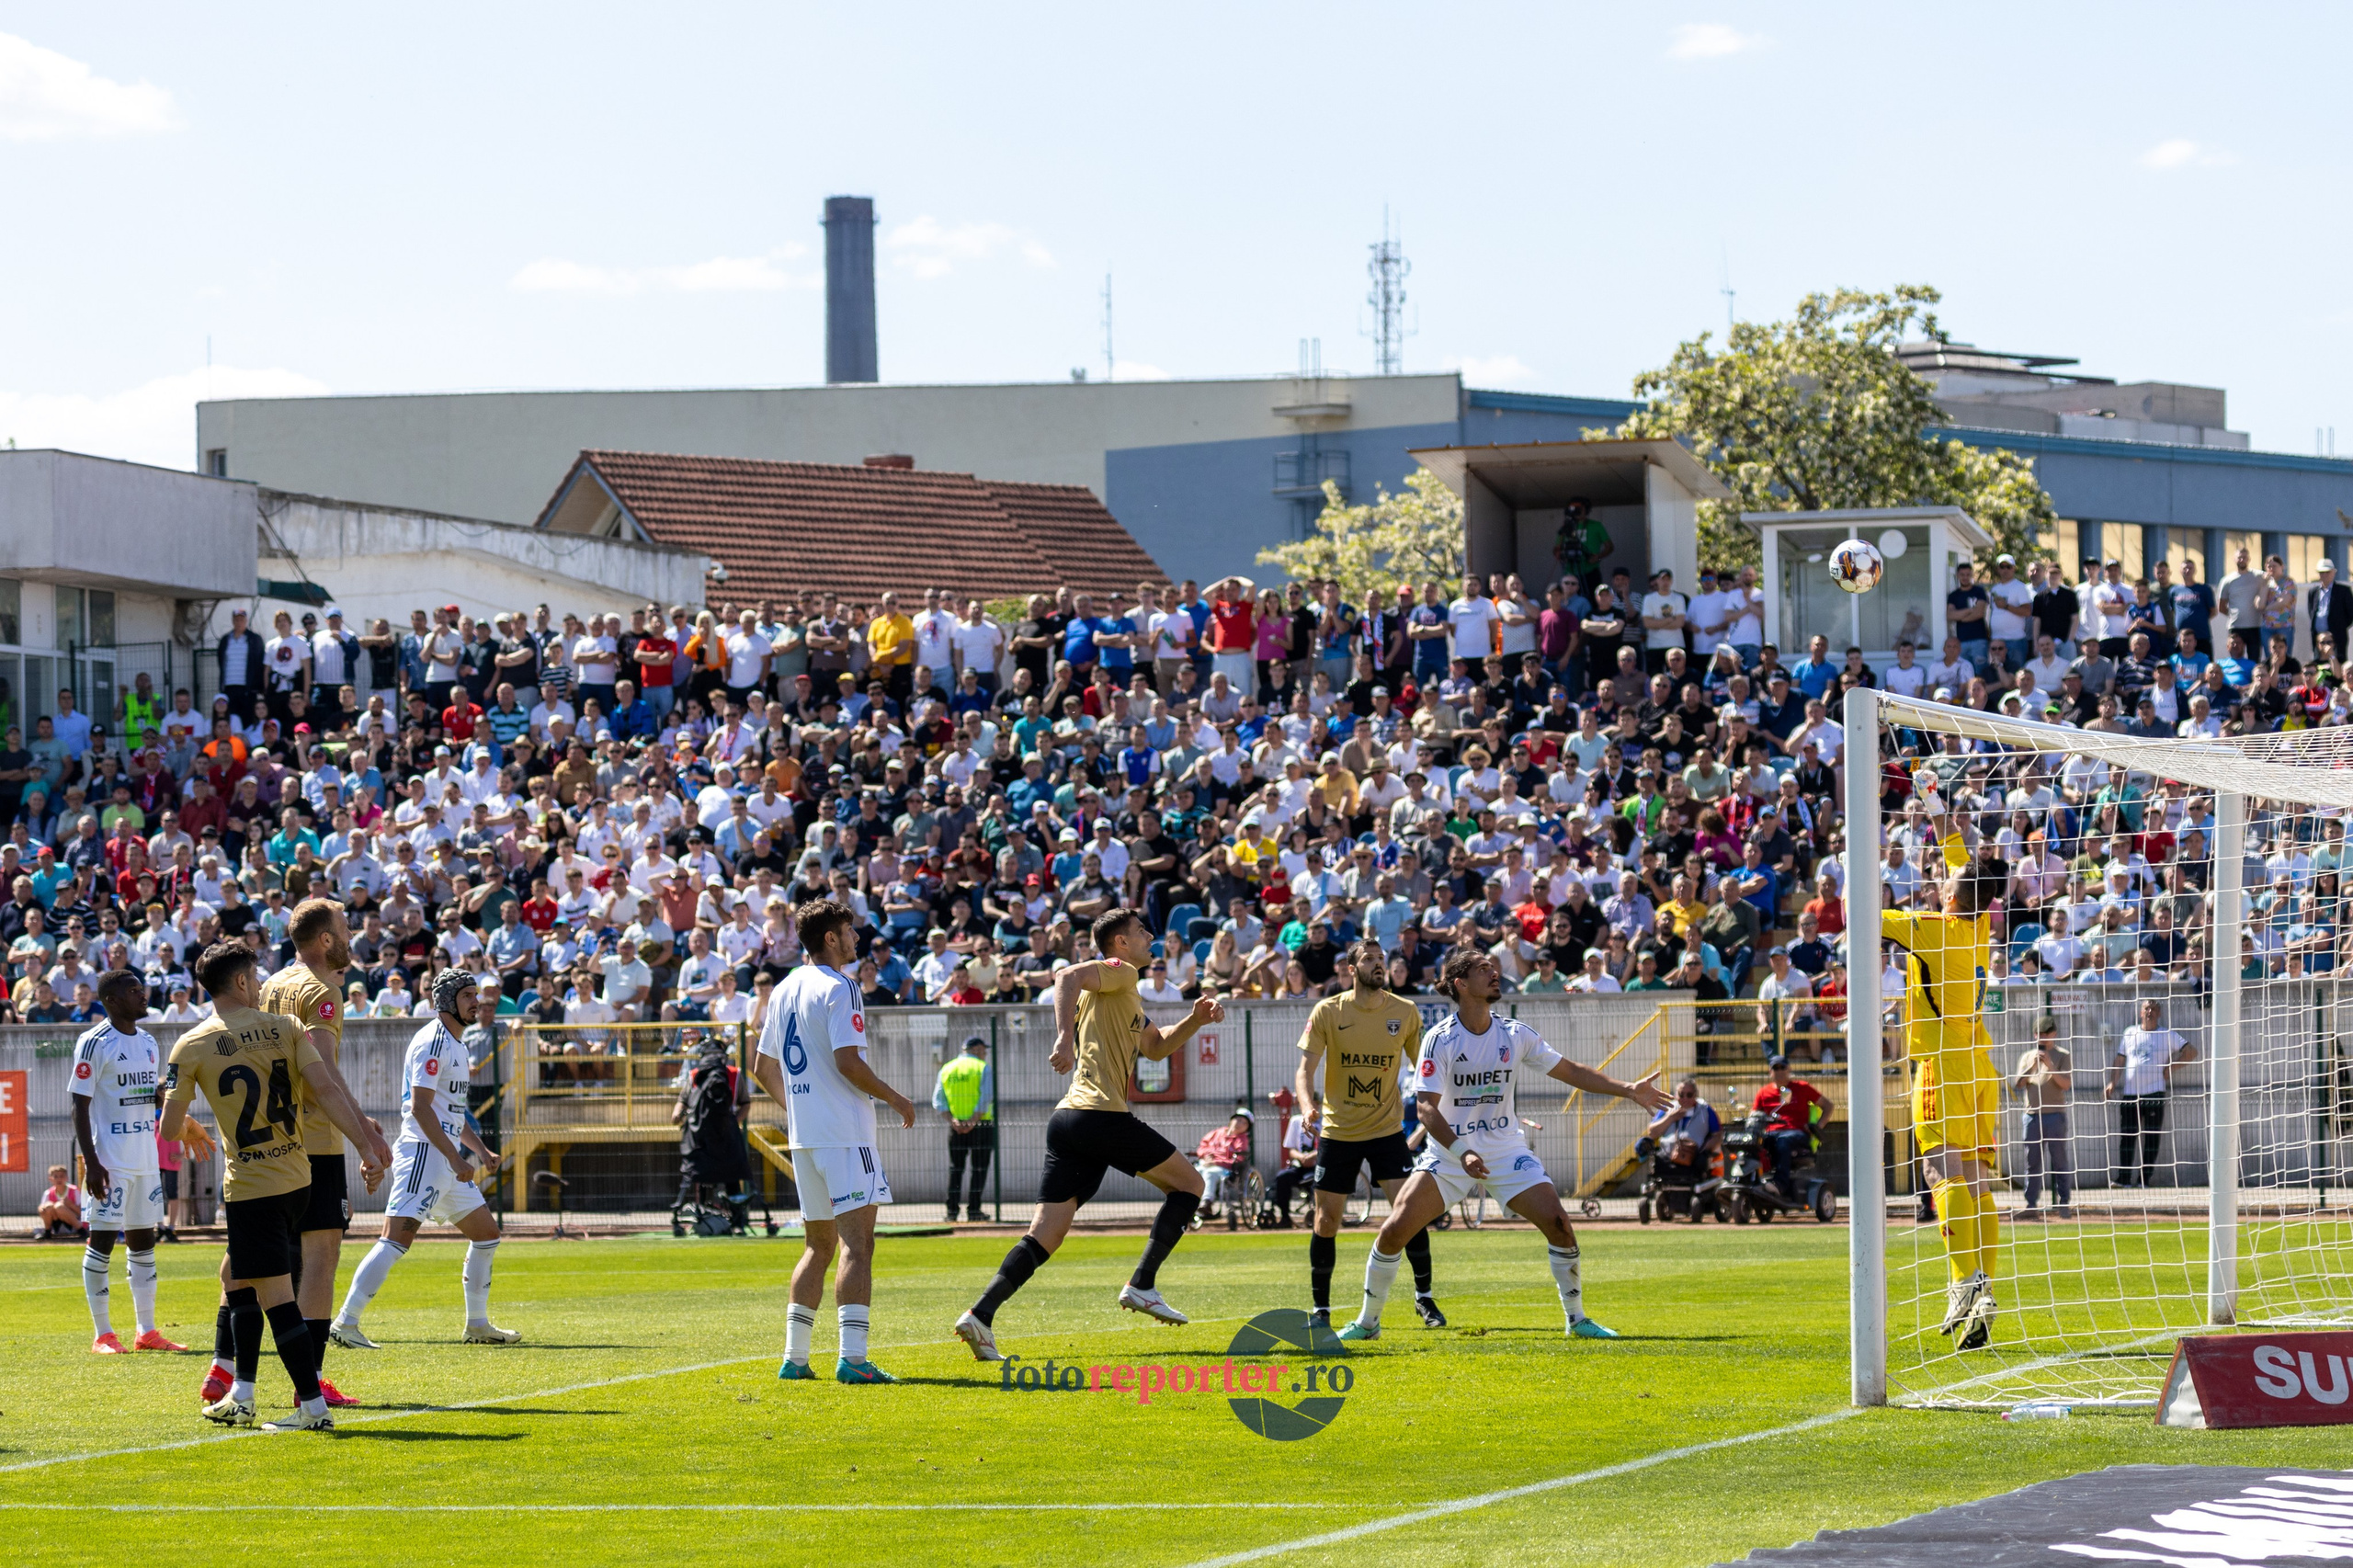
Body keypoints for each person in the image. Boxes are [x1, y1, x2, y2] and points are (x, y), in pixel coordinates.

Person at [1337, 948, 1668, 1342]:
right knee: (1393, 1233)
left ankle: (1577, 1320)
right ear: (1460, 984)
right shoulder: (1439, 1039)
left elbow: (1571, 1071)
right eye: (1482, 970)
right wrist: (1463, 1152)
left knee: (1560, 1225)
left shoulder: (1514, 1033)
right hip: (1450, 1156)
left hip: (1507, 1153)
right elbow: (1426, 1109)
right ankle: (1367, 1323)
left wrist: (1628, 1089)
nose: (1494, 974)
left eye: (1493, 968)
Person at [953, 908, 1225, 1359]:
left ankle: (980, 1315)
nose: (1150, 936)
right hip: (1100, 1115)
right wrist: (1062, 1038)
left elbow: (1156, 1048)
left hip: (1069, 1121)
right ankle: (1142, 1284)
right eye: (1141, 931)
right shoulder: (1116, 972)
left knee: (1047, 1234)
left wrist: (1195, 1020)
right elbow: (1064, 976)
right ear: (1120, 944)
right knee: (1192, 1184)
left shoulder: (1124, 992)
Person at [159, 940, 389, 1431]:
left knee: (276, 1296)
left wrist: (191, 1126)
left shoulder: (193, 1044)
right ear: (240, 982)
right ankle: (241, 1393)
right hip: (299, 1176)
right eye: (256, 976)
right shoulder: (286, 1027)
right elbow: (325, 1088)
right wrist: (366, 1146)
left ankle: (312, 1406)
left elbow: (167, 1127)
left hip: (251, 1185)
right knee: (238, 1279)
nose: (261, 984)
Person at [749, 897, 917, 1384]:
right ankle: (854, 1359)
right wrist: (895, 1098)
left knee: (816, 1246)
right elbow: (848, 1061)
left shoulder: (782, 989)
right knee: (857, 1246)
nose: (856, 938)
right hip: (846, 1135)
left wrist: (801, 1109)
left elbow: (763, 1068)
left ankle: (794, 1359)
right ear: (830, 937)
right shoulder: (841, 986)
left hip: (807, 1139)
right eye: (849, 930)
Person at [1879, 773, 2008, 1350]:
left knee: (1939, 1172)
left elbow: (1868, 916)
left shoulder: (1932, 928)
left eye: (1947, 876)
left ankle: (1961, 1281)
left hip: (1941, 1063)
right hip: (1982, 1061)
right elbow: (1953, 846)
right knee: (1977, 1179)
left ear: (1954, 894)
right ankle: (1983, 1286)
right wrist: (1930, 799)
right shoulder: (1979, 920)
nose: (1941, 873)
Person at [331, 970, 520, 1352]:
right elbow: (420, 1108)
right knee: (396, 1238)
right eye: (468, 995)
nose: (477, 1002)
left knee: (487, 1236)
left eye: (476, 995)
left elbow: (451, 1111)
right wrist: (455, 1158)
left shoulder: (458, 1044)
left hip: (446, 1157)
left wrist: (479, 1151)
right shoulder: (433, 1041)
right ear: (448, 1000)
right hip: (425, 1153)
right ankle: (344, 1323)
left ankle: (478, 1325)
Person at [250, 897, 364, 1407]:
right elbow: (322, 1072)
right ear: (325, 940)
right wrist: (364, 1131)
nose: (349, 932)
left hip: (275, 1135)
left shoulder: (272, 985)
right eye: (344, 926)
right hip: (316, 1137)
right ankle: (310, 1381)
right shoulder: (321, 992)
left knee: (265, 1256)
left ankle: (229, 1368)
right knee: (321, 1254)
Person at [1293, 938, 1441, 1329]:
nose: (1379, 965)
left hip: (1386, 1130)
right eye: (1369, 960)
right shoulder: (1329, 1010)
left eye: (1382, 959)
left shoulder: (1406, 1012)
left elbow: (1426, 1070)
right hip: (1339, 1132)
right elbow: (1305, 1070)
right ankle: (1320, 1311)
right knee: (1325, 1222)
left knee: (1409, 1215)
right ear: (1350, 967)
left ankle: (1425, 1298)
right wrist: (1308, 1106)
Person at [71, 969, 193, 1353]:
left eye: (142, 989)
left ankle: (147, 1331)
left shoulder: (149, 1042)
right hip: (111, 1162)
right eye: (134, 990)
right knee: (102, 1241)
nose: (143, 995)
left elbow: (150, 1093)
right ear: (111, 999)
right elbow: (79, 1105)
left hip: (145, 1160)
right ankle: (103, 1334)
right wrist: (92, 1163)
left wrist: (169, 1099)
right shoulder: (93, 1042)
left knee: (144, 1242)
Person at [2107, 997, 2197, 1189]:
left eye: (2154, 1009)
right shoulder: (2130, 1033)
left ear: (2159, 1013)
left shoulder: (2167, 1035)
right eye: (2147, 1008)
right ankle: (2124, 1179)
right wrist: (2113, 1082)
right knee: (2127, 1137)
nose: (2150, 1012)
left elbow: (2191, 1052)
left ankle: (2143, 1180)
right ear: (2141, 1012)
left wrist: (2171, 1067)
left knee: (2152, 1138)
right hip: (2131, 1093)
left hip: (2154, 1093)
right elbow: (2120, 1059)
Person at [2013, 1017, 2074, 1219]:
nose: (2043, 1038)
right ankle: (2031, 1205)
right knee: (2032, 1163)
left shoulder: (2063, 1056)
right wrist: (2033, 1066)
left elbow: (2065, 1084)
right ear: (2034, 1035)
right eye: (2040, 1034)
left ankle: (2064, 1202)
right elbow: (2019, 1083)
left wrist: (2049, 1064)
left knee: (2059, 1160)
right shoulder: (2027, 1056)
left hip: (2055, 1116)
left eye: (2047, 1034)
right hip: (2031, 1116)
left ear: (2054, 1034)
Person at [933, 1033, 995, 1222]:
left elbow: (938, 1100)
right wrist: (974, 1120)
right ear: (976, 1050)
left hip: (956, 1127)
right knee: (979, 1168)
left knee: (956, 1168)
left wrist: (953, 1121)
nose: (985, 1054)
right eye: (983, 1051)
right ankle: (974, 1210)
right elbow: (986, 1097)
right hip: (981, 1126)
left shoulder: (947, 1069)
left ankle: (952, 1211)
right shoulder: (982, 1068)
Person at [1751, 1055, 1828, 1195]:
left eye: (1783, 1067)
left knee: (1783, 1141)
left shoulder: (1802, 1088)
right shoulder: (1763, 1093)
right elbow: (1754, 1115)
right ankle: (1751, 1180)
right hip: (1771, 1133)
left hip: (1796, 1134)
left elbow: (1828, 1106)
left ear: (1789, 1069)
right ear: (1770, 1071)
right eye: (1776, 1068)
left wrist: (1817, 1127)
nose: (1779, 1071)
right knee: (1752, 1143)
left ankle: (1780, 1184)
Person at [1191, 1109, 1254, 1224]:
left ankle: (1207, 1203)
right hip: (1205, 1163)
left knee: (1210, 1174)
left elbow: (1239, 1158)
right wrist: (1205, 1156)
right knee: (1193, 1173)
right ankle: (1189, 1203)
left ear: (1247, 1128)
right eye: (1238, 1120)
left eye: (1244, 1123)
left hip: (1225, 1169)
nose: (1240, 1123)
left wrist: (1216, 1162)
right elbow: (1203, 1146)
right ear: (1231, 1120)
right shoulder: (1216, 1133)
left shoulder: (1241, 1140)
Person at [39, 1164, 86, 1241]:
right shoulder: (48, 1193)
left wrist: (71, 1205)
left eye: (62, 1176)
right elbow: (41, 1209)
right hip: (56, 1224)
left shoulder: (74, 1191)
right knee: (48, 1206)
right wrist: (42, 1209)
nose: (59, 1179)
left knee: (59, 1207)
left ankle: (82, 1231)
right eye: (56, 1176)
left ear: (66, 1178)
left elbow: (83, 1213)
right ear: (50, 1179)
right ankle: (47, 1232)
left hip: (73, 1224)